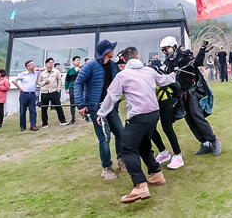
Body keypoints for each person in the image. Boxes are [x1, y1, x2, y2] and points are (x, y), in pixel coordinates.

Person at [98, 46, 176, 204]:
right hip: (154, 114)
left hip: (139, 116)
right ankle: (156, 174)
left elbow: (111, 96)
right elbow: (165, 80)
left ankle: (140, 185)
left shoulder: (122, 75)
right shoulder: (149, 71)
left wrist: (101, 113)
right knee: (143, 145)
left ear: (124, 60)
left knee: (127, 148)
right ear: (138, 56)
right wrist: (174, 75)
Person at [161, 36, 222, 157]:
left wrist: (203, 48)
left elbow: (197, 62)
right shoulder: (168, 63)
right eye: (163, 50)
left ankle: (214, 141)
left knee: (197, 117)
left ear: (173, 47)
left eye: (166, 49)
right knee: (189, 120)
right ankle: (204, 144)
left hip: (191, 92)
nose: (165, 52)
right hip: (180, 95)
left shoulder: (185, 57)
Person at [74, 39, 125, 180]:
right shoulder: (90, 65)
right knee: (105, 137)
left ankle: (122, 160)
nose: (113, 50)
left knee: (121, 132)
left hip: (110, 107)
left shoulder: (113, 66)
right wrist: (81, 104)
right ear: (105, 52)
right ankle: (106, 167)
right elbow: (78, 83)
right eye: (111, 48)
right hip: (95, 108)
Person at [38, 57, 68, 128]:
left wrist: (58, 89)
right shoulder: (42, 73)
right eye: (50, 63)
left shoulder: (56, 71)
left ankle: (62, 121)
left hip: (54, 91)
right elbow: (39, 82)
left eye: (52, 63)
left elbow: (59, 80)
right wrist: (44, 82)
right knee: (44, 108)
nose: (51, 64)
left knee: (58, 106)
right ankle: (44, 123)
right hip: (45, 92)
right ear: (46, 64)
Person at [13, 61, 40, 132]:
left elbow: (45, 69)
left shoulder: (36, 73)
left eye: (33, 64)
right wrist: (19, 88)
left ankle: (33, 125)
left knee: (33, 110)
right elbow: (14, 80)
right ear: (28, 66)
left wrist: (38, 69)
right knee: (22, 111)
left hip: (32, 94)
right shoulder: (23, 74)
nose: (33, 65)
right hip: (24, 94)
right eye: (31, 64)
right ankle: (22, 126)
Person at [65, 56, 81, 124]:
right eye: (77, 60)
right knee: (72, 103)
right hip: (71, 87)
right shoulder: (70, 71)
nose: (78, 61)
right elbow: (67, 80)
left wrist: (79, 71)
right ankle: (73, 118)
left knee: (80, 102)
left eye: (79, 60)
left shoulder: (82, 69)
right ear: (73, 62)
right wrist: (66, 88)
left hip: (79, 87)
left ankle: (86, 116)